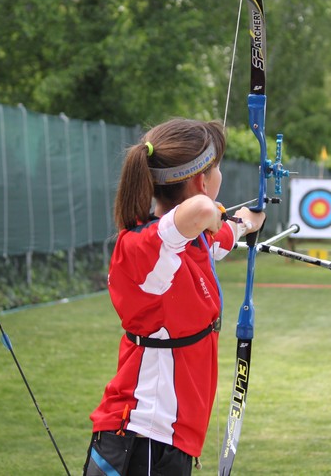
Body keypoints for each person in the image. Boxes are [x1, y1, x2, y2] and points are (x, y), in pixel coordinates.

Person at [83, 118, 265, 476]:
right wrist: (211, 211)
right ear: (201, 182)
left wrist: (245, 222)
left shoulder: (188, 242)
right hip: (140, 437)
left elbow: (218, 239)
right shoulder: (143, 248)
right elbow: (201, 213)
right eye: (216, 168)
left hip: (165, 438)